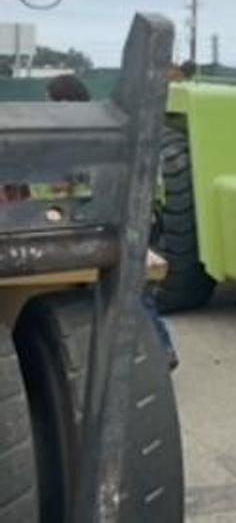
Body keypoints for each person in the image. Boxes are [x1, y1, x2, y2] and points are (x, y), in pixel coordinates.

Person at [44, 73, 180, 368]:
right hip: (138, 214)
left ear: (65, 101)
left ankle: (161, 349)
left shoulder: (90, 133)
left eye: (52, 102)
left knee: (131, 286)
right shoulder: (102, 125)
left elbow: (88, 182)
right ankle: (154, 349)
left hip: (130, 217)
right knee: (130, 287)